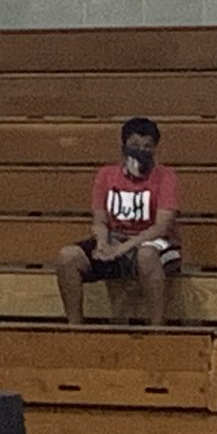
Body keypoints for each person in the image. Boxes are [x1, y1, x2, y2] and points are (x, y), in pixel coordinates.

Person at [55, 117, 181, 326]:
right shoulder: (106, 175)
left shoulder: (165, 176)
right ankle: (74, 326)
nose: (140, 151)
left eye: (147, 146)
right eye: (134, 145)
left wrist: (123, 249)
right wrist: (103, 244)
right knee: (67, 257)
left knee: (146, 255)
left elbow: (161, 227)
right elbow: (100, 220)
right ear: (123, 147)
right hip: (115, 238)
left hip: (155, 242)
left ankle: (157, 328)